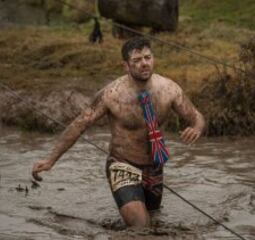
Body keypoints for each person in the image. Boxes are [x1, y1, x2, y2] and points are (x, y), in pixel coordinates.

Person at [32, 37, 205, 227]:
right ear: (126, 66)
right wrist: (50, 160)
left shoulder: (169, 89)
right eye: (137, 61)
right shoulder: (112, 94)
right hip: (123, 164)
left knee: (154, 221)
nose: (144, 64)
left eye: (147, 58)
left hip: (154, 166)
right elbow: (80, 124)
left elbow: (196, 116)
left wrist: (196, 127)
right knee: (140, 226)